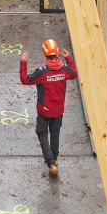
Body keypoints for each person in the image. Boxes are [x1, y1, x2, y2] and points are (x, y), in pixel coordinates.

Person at [19, 38, 77, 177]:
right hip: (58, 111)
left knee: (41, 132)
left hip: (45, 111)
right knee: (55, 132)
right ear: (57, 53)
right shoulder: (64, 70)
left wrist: (23, 63)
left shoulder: (42, 72)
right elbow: (74, 74)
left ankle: (51, 162)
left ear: (44, 54)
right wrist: (68, 58)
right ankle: (54, 158)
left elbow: (25, 80)